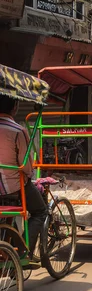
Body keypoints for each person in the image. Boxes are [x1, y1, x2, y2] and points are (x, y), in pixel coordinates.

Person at [0, 95, 47, 261]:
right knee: (40, 211)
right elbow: (26, 165)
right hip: (12, 186)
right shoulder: (18, 130)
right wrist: (30, 175)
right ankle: (23, 253)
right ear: (15, 107)